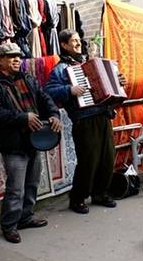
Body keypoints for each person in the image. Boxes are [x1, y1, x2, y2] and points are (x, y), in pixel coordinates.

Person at [0, 42, 61, 243]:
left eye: (18, 56)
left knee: (32, 183)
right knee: (16, 188)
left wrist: (53, 114)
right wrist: (23, 118)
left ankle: (25, 217)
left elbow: (45, 99)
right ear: (0, 60)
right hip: (13, 143)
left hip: (34, 140)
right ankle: (9, 225)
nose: (17, 59)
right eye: (11, 56)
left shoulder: (28, 79)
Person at [45, 29, 122, 214]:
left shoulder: (89, 63)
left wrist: (118, 81)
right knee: (89, 160)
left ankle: (100, 194)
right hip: (84, 119)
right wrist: (69, 90)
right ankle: (77, 198)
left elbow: (109, 84)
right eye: (73, 41)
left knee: (107, 158)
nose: (78, 43)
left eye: (79, 40)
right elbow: (48, 91)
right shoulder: (60, 69)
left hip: (103, 115)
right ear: (64, 45)